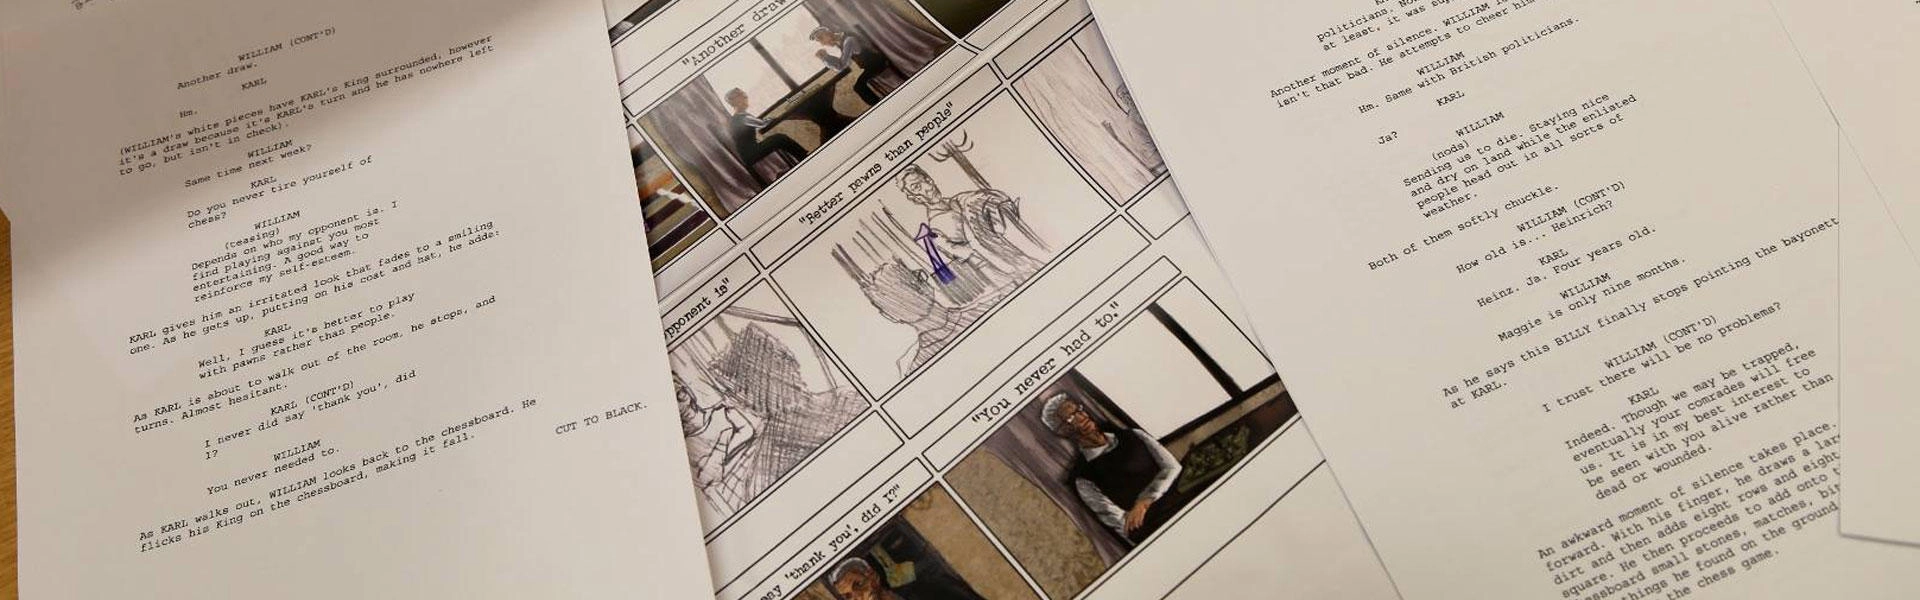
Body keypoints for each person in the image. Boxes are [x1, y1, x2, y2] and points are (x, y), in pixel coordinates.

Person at [1042, 393, 1182, 544]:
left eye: (1079, 410)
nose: (1082, 417)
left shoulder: (1134, 434)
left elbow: (1172, 467)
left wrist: (1143, 502)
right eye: (1071, 418)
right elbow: (1125, 525)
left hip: (1183, 496)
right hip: (1158, 529)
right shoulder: (1084, 478)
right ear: (1062, 431)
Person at [895, 164, 1045, 282]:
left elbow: (996, 206)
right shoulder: (935, 230)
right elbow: (966, 253)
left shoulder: (962, 199)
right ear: (915, 198)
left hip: (1018, 252)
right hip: (999, 270)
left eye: (926, 180)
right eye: (917, 187)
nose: (929, 187)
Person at [827, 555, 983, 600]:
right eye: (848, 597)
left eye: (859, 585)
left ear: (872, 576)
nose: (858, 597)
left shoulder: (933, 589)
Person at [724, 88, 806, 168]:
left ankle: (801, 156)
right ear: (735, 101)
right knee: (779, 138)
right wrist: (781, 116)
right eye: (742, 95)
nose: (746, 97)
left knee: (779, 139)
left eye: (744, 95)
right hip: (751, 154)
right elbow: (763, 124)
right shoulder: (742, 118)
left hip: (749, 154)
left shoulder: (738, 117)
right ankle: (803, 156)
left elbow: (760, 123)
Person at [811, 26, 892, 105]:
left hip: (877, 63)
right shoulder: (842, 41)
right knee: (859, 86)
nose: (823, 44)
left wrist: (825, 57)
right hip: (871, 64)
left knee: (858, 87)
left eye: (821, 39)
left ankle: (879, 105)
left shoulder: (848, 41)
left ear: (827, 34)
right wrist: (826, 58)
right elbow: (842, 63)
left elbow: (841, 66)